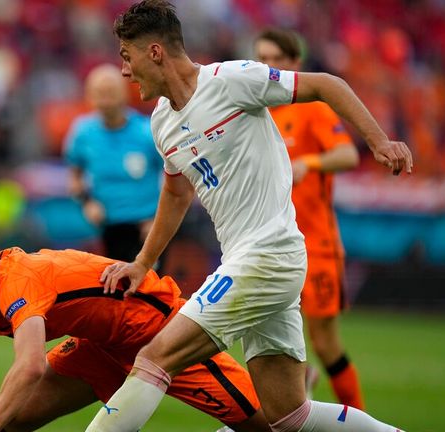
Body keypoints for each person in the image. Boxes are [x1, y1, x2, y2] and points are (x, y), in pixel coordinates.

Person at [86, 1, 411, 431]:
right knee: (288, 417)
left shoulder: (232, 81)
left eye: (127, 57)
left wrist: (379, 141)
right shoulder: (162, 122)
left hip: (268, 254)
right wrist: (143, 263)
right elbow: (176, 192)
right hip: (248, 259)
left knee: (154, 358)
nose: (124, 71)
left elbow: (327, 84)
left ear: (155, 53)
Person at [0, 220, 271, 432]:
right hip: (98, 347)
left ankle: (296, 397)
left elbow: (28, 367)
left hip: (158, 330)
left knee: (273, 425)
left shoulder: (17, 281)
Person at [255, 28, 364, 410]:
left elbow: (348, 155)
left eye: (274, 59)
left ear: (294, 65)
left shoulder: (312, 108)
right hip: (271, 244)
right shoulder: (257, 110)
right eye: (261, 58)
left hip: (315, 243)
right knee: (272, 338)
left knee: (323, 341)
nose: (266, 66)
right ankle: (296, 393)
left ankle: (361, 419)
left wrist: (309, 162)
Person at [65, 64, 163, 265]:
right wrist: (86, 202)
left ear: (125, 93)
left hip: (146, 226)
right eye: (100, 93)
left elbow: (172, 175)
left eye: (111, 92)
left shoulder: (147, 132)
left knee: (150, 288)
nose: (106, 99)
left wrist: (159, 220)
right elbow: (75, 175)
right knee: (114, 289)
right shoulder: (83, 133)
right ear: (89, 96)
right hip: (107, 225)